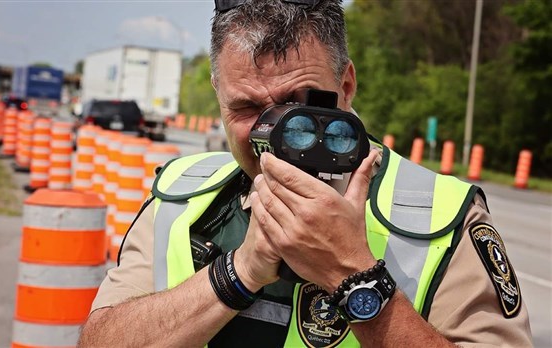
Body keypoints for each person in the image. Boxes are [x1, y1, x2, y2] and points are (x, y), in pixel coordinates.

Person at [78, 1, 532, 347]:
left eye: (299, 103)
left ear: (347, 86)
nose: (275, 133)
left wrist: (353, 277)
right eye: (248, 109)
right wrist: (238, 272)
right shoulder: (181, 197)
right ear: (219, 94)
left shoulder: (440, 217)